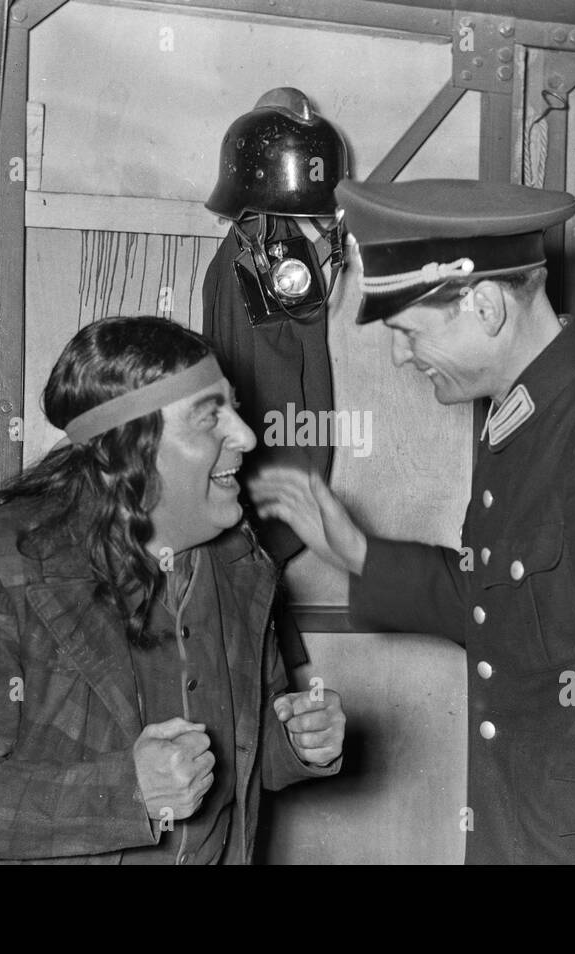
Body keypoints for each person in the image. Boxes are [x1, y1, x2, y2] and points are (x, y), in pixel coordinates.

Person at [250, 179, 575, 864]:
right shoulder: (525, 424)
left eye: (406, 331)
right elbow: (509, 613)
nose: (401, 355)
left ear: (485, 307)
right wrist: (358, 551)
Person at [0, 316, 344, 864]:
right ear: (130, 449)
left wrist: (295, 742)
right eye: (208, 418)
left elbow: (231, 754)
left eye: (233, 408)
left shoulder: (239, 566)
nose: (245, 435)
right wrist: (126, 793)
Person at [202, 87, 351, 675]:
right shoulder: (268, 253)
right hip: (272, 483)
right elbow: (284, 387)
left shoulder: (250, 246)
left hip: (265, 489)